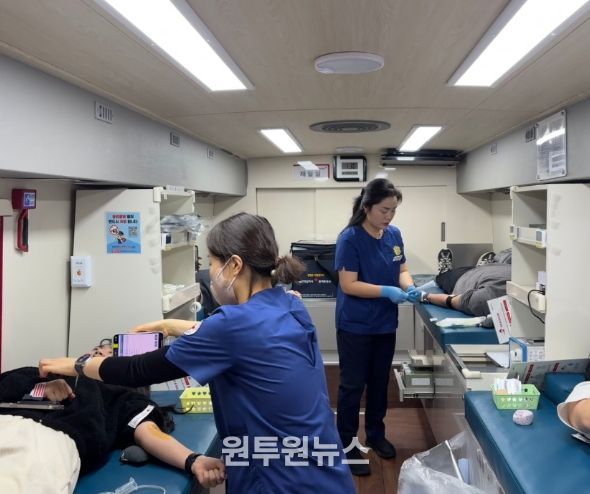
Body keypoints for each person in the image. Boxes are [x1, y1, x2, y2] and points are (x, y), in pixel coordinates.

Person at [40, 212, 355, 493]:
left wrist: (76, 364)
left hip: (279, 479)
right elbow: (239, 335)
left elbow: (137, 371)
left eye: (212, 262)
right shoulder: (290, 304)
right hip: (324, 469)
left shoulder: (231, 326)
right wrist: (168, 325)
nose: (210, 271)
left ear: (234, 265)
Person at [0, 366, 225, 494]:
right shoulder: (42, 374)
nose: (100, 352)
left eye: (107, 356)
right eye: (97, 351)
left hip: (45, 437)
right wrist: (38, 388)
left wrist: (194, 460)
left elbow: (149, 433)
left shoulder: (120, 397)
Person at [335, 178, 419, 476]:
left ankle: (375, 434)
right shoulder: (350, 238)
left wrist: (409, 287)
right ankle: (346, 444)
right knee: (352, 386)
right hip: (356, 325)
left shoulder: (393, 234)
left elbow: (402, 268)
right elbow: (348, 284)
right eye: (384, 210)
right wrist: (386, 291)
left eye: (393, 210)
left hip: (384, 324)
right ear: (367, 206)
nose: (389, 216)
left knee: (379, 382)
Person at [420, 248, 512, 316]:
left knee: (446, 277)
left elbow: (451, 301)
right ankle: (483, 266)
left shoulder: (486, 299)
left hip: (463, 279)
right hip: (492, 269)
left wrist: (426, 296)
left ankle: (444, 271)